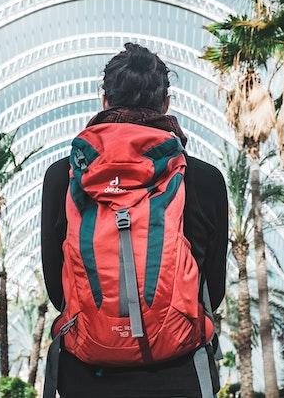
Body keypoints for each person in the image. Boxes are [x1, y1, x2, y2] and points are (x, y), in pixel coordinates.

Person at [40, 43, 229, 398]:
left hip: (87, 376)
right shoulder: (203, 178)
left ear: (104, 100)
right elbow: (212, 291)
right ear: (166, 105)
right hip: (179, 375)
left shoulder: (61, 177)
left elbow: (57, 289)